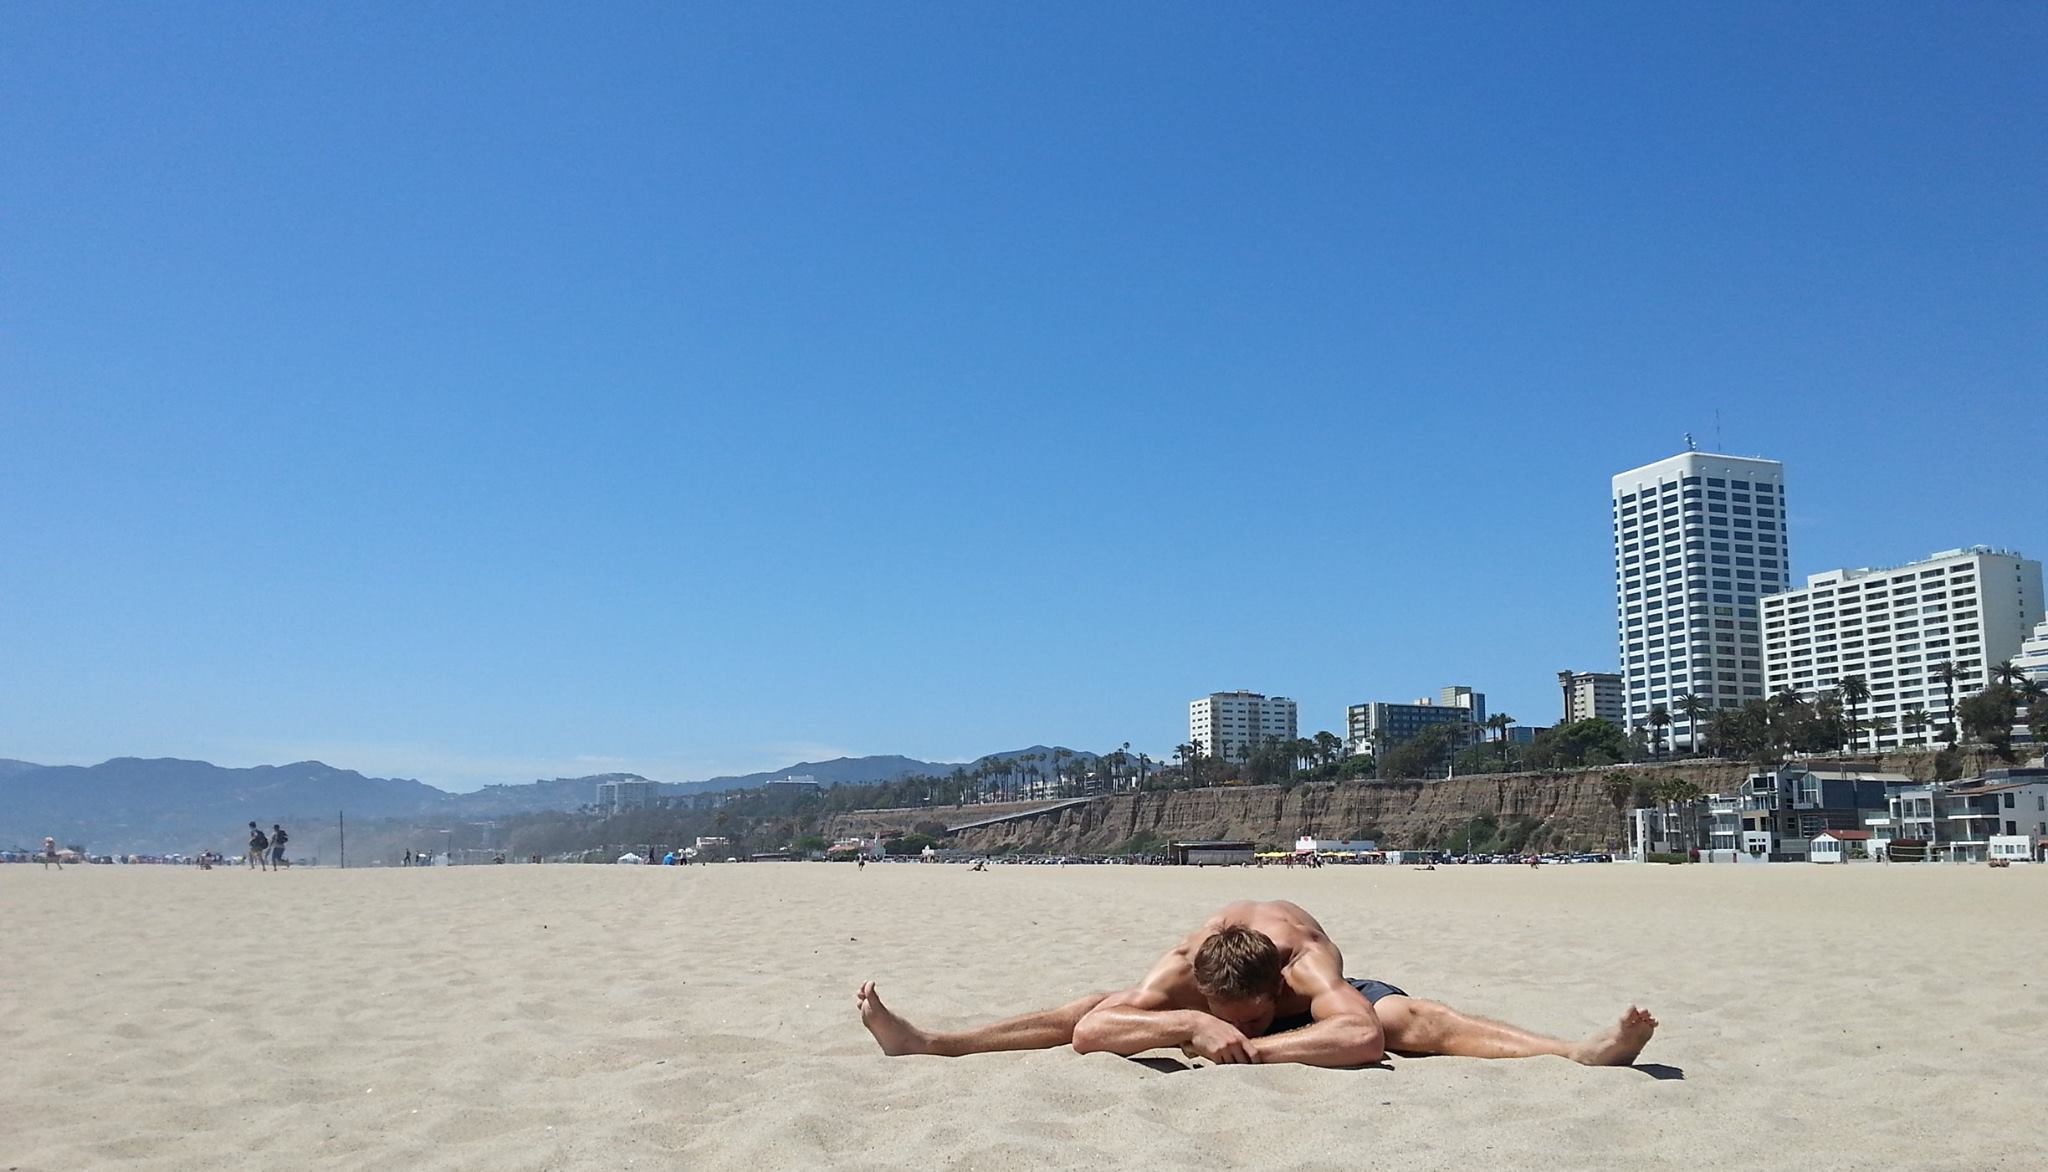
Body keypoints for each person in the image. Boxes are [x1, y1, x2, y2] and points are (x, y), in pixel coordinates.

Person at [857, 899, 1656, 1069]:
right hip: (1206, 1005)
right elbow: (1094, 1032)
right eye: (1219, 1011)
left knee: (1413, 1016)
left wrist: (1256, 1051)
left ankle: (1574, 1051)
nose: (1238, 1024)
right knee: (1087, 1005)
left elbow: (1362, 1033)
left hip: (1330, 1001)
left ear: (1275, 986)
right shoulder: (1182, 969)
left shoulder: (1305, 963)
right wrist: (1186, 1028)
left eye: (1252, 1015)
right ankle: (930, 1041)